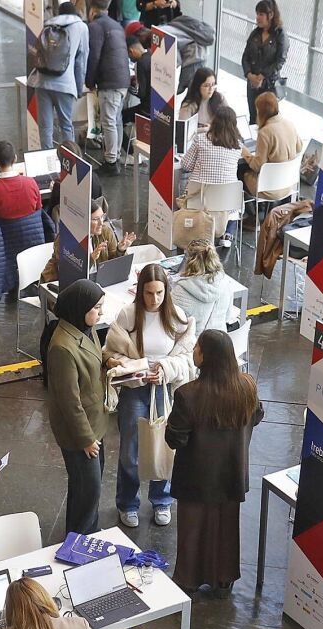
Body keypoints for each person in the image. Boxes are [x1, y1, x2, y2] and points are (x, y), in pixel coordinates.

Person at [166, 329, 261, 595]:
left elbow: (176, 439)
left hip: (196, 477)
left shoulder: (187, 394)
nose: (194, 351)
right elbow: (257, 415)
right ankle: (223, 580)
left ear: (207, 357)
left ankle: (189, 580)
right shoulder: (247, 386)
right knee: (226, 530)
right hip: (232, 474)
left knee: (192, 531)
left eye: (197, 347)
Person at [104, 264, 197, 528]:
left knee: (164, 446)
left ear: (166, 291)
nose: (154, 299)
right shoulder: (128, 315)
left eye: (159, 293)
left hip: (165, 389)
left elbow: (187, 358)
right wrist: (136, 367)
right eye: (149, 293)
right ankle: (128, 503)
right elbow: (110, 353)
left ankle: (162, 500)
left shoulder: (176, 316)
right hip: (135, 389)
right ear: (140, 291)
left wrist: (164, 370)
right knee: (130, 451)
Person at [46, 279, 110, 536]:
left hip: (95, 421)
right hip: (79, 432)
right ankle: (82, 537)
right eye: (97, 308)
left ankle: (80, 531)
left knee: (86, 486)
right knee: (89, 488)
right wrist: (86, 439)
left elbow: (95, 352)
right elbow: (68, 401)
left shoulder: (83, 327)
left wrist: (109, 359)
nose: (101, 312)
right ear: (80, 307)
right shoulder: (62, 347)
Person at [178, 102, 245, 246]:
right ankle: (227, 234)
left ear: (214, 122)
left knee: (185, 186)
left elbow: (186, 165)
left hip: (199, 201)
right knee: (236, 206)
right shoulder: (238, 146)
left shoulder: (201, 140)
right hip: (226, 203)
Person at [41, 191, 136, 282]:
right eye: (95, 219)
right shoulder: (66, 238)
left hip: (96, 282)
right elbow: (69, 274)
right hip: (58, 285)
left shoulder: (105, 231)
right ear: (83, 221)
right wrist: (91, 259)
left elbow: (113, 266)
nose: (101, 223)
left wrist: (120, 250)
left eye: (102, 217)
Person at [33, 1, 90, 151]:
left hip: (42, 82)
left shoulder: (47, 25)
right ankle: (69, 161)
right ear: (75, 13)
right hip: (65, 85)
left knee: (45, 127)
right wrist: (78, 88)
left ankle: (47, 164)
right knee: (66, 125)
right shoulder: (81, 27)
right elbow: (81, 60)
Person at [85, 1, 131, 172]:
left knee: (109, 121)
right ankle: (115, 155)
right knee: (116, 119)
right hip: (122, 80)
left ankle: (111, 163)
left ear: (92, 10)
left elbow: (94, 56)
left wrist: (89, 81)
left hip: (110, 81)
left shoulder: (96, 26)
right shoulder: (116, 25)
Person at [171, 239, 245, 342]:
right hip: (219, 346)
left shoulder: (180, 291)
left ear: (189, 261)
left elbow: (172, 326)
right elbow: (228, 317)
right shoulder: (225, 283)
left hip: (190, 349)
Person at [238, 92, 300, 205]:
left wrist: (245, 153)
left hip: (269, 189)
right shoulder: (290, 124)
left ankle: (248, 214)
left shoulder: (265, 132)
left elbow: (257, 166)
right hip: (289, 185)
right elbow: (299, 148)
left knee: (239, 172)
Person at [0, 142, 45, 233]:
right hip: (31, 240)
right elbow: (38, 211)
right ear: (15, 158)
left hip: (1, 243)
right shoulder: (31, 183)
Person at [241, 1, 287, 125]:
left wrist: (261, 76)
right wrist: (250, 75)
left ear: (270, 15)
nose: (257, 17)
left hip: (269, 85)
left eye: (261, 14)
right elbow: (245, 57)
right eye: (257, 14)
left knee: (268, 120)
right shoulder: (255, 34)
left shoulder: (280, 35)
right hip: (253, 84)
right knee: (253, 117)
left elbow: (280, 61)